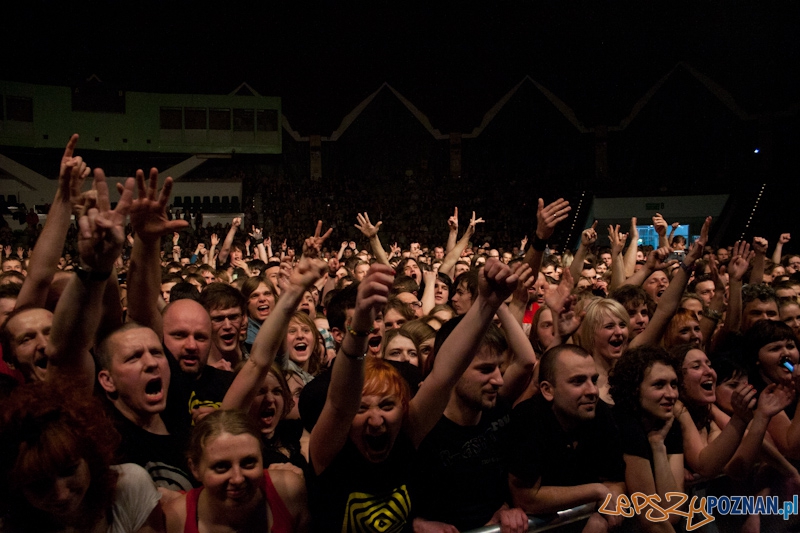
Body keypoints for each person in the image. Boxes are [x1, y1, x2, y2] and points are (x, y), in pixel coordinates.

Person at [308, 259, 519, 531]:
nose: (376, 420)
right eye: (361, 409)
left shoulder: (406, 437)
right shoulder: (328, 452)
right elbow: (340, 404)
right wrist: (360, 325)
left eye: (387, 406)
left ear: (403, 410)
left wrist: (486, 305)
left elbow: (444, 376)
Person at [0, 382, 163, 532]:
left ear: (89, 456)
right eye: (39, 483)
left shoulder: (129, 487)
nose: (61, 494)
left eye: (69, 470)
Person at [508, 345, 626, 532]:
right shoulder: (528, 418)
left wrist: (604, 510)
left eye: (594, 380)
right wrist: (596, 492)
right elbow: (526, 498)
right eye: (578, 381)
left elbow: (615, 481)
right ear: (547, 390)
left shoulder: (600, 412)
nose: (593, 391)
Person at [163, 409, 310, 532]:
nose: (238, 478)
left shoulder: (288, 491)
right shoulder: (175, 519)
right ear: (195, 469)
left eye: (248, 463)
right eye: (221, 467)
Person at [609, 346, 683, 531]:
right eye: (659, 385)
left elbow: (673, 511)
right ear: (634, 389)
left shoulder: (669, 424)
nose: (671, 394)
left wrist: (657, 445)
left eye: (673, 384)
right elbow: (650, 516)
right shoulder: (623, 424)